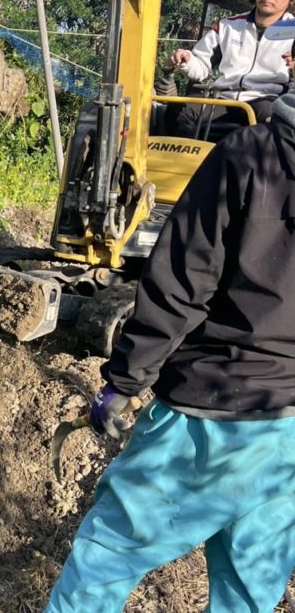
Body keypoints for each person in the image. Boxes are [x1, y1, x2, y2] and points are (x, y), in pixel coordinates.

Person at [44, 88, 295, 613]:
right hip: (287, 439)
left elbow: (184, 278)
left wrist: (124, 382)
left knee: (107, 559)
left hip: (210, 412)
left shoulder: (247, 153)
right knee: (247, 593)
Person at [166, 0, 295, 137]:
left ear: (291, 0)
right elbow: (201, 67)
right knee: (179, 112)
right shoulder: (228, 25)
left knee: (277, 123)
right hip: (223, 98)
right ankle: (186, 163)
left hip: (266, 100)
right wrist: (187, 60)